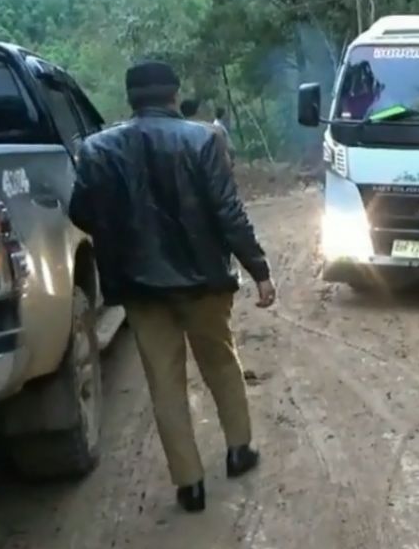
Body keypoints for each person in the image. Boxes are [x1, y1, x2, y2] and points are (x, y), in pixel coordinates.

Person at [69, 60, 276, 513]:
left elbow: (80, 213)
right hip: (204, 282)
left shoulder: (97, 149)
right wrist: (258, 269)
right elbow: (228, 214)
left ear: (131, 98)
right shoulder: (203, 139)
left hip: (141, 288)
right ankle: (239, 451)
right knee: (221, 363)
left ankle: (190, 485)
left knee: (164, 383)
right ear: (172, 95)